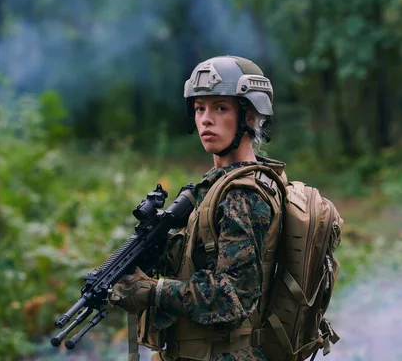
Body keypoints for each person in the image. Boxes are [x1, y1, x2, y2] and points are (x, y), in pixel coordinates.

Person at [111, 55, 286, 361]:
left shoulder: (243, 194)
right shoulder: (218, 185)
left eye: (220, 107)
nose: (206, 119)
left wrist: (152, 291)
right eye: (199, 108)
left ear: (250, 115)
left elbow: (232, 298)